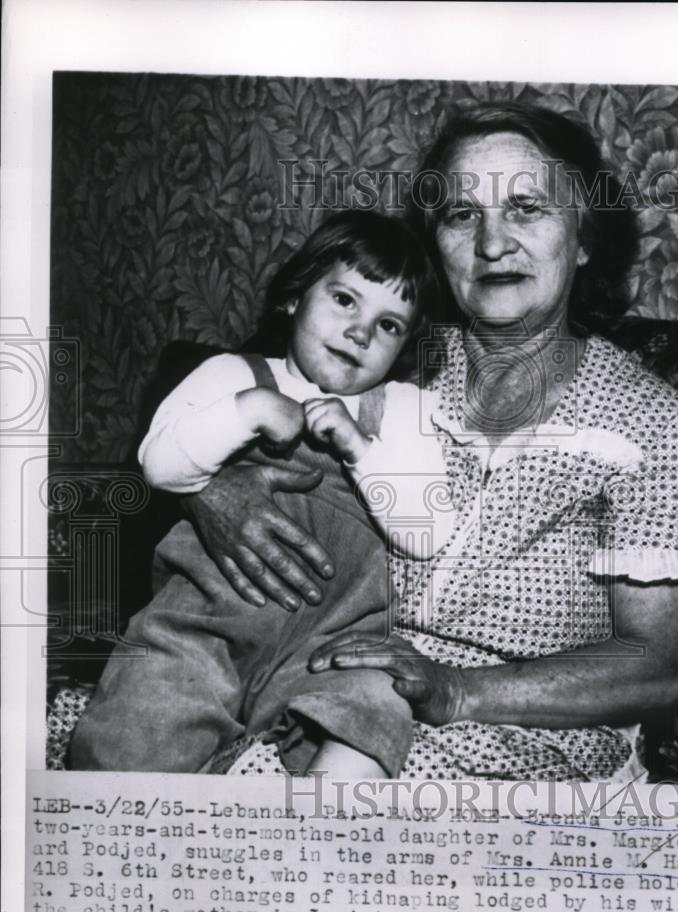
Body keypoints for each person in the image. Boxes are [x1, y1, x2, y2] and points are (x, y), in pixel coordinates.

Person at [106, 102, 678, 782]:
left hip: (514, 726)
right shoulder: (389, 354)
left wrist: (458, 690)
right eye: (463, 215)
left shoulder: (657, 421)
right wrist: (211, 493)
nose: (493, 243)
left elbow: (654, 667)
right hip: (309, 675)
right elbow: (224, 409)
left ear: (583, 238)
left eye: (527, 208)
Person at [69, 211, 456, 778]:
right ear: (294, 298)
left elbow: (427, 535)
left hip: (332, 647)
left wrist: (360, 448)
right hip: (200, 626)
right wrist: (249, 410)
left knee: (374, 711)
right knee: (134, 732)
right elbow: (160, 465)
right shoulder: (232, 373)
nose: (361, 332)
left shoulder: (400, 409)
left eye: (390, 325)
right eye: (345, 300)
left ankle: (321, 846)